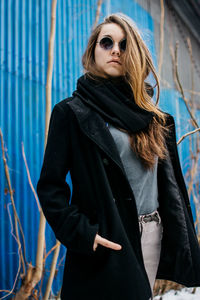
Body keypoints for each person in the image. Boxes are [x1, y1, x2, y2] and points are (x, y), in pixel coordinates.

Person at [36, 13, 200, 300]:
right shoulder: (72, 113)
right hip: (108, 238)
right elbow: (51, 187)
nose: (115, 50)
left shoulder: (152, 116)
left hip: (151, 233)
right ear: (93, 51)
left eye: (124, 45)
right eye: (107, 42)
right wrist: (84, 234)